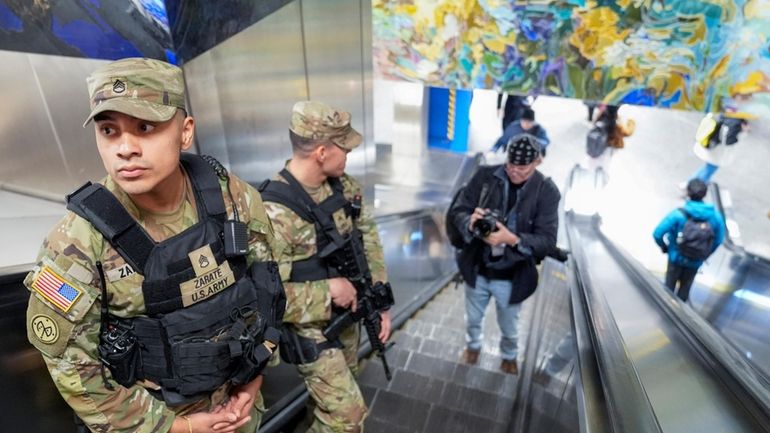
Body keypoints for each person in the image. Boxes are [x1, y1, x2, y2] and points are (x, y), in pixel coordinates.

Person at [23, 58, 285, 433]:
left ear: (185, 131)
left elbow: (268, 286)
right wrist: (175, 428)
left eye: (145, 127)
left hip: (238, 405)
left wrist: (256, 374)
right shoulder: (76, 243)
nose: (125, 148)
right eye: (109, 130)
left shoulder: (231, 196)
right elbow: (73, 369)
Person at [260, 101, 392, 433]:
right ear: (321, 152)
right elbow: (265, 299)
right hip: (310, 329)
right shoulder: (273, 211)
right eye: (343, 148)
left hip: (349, 316)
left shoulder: (344, 186)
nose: (348, 154)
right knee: (348, 418)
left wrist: (380, 301)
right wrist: (329, 290)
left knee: (327, 404)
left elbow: (368, 239)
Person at [448, 134, 560, 374]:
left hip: (512, 276)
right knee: (473, 318)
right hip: (477, 269)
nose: (514, 171)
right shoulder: (485, 177)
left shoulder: (547, 191)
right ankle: (473, 347)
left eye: (522, 168)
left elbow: (547, 242)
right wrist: (471, 222)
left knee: (510, 325)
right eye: (510, 165)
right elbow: (458, 210)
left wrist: (512, 239)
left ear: (537, 162)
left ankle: (509, 355)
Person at [653, 179, 725, 302]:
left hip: (675, 258)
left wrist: (665, 247)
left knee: (668, 288)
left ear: (688, 193)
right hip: (695, 261)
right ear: (705, 194)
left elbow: (657, 233)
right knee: (684, 290)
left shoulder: (678, 214)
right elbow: (719, 240)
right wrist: (705, 253)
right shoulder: (715, 217)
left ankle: (665, 309)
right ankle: (680, 314)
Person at [688, 112, 748, 184]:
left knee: (708, 168)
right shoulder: (735, 123)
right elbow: (728, 140)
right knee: (709, 170)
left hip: (713, 148)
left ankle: (690, 184)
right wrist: (744, 132)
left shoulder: (725, 114)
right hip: (718, 152)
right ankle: (691, 186)